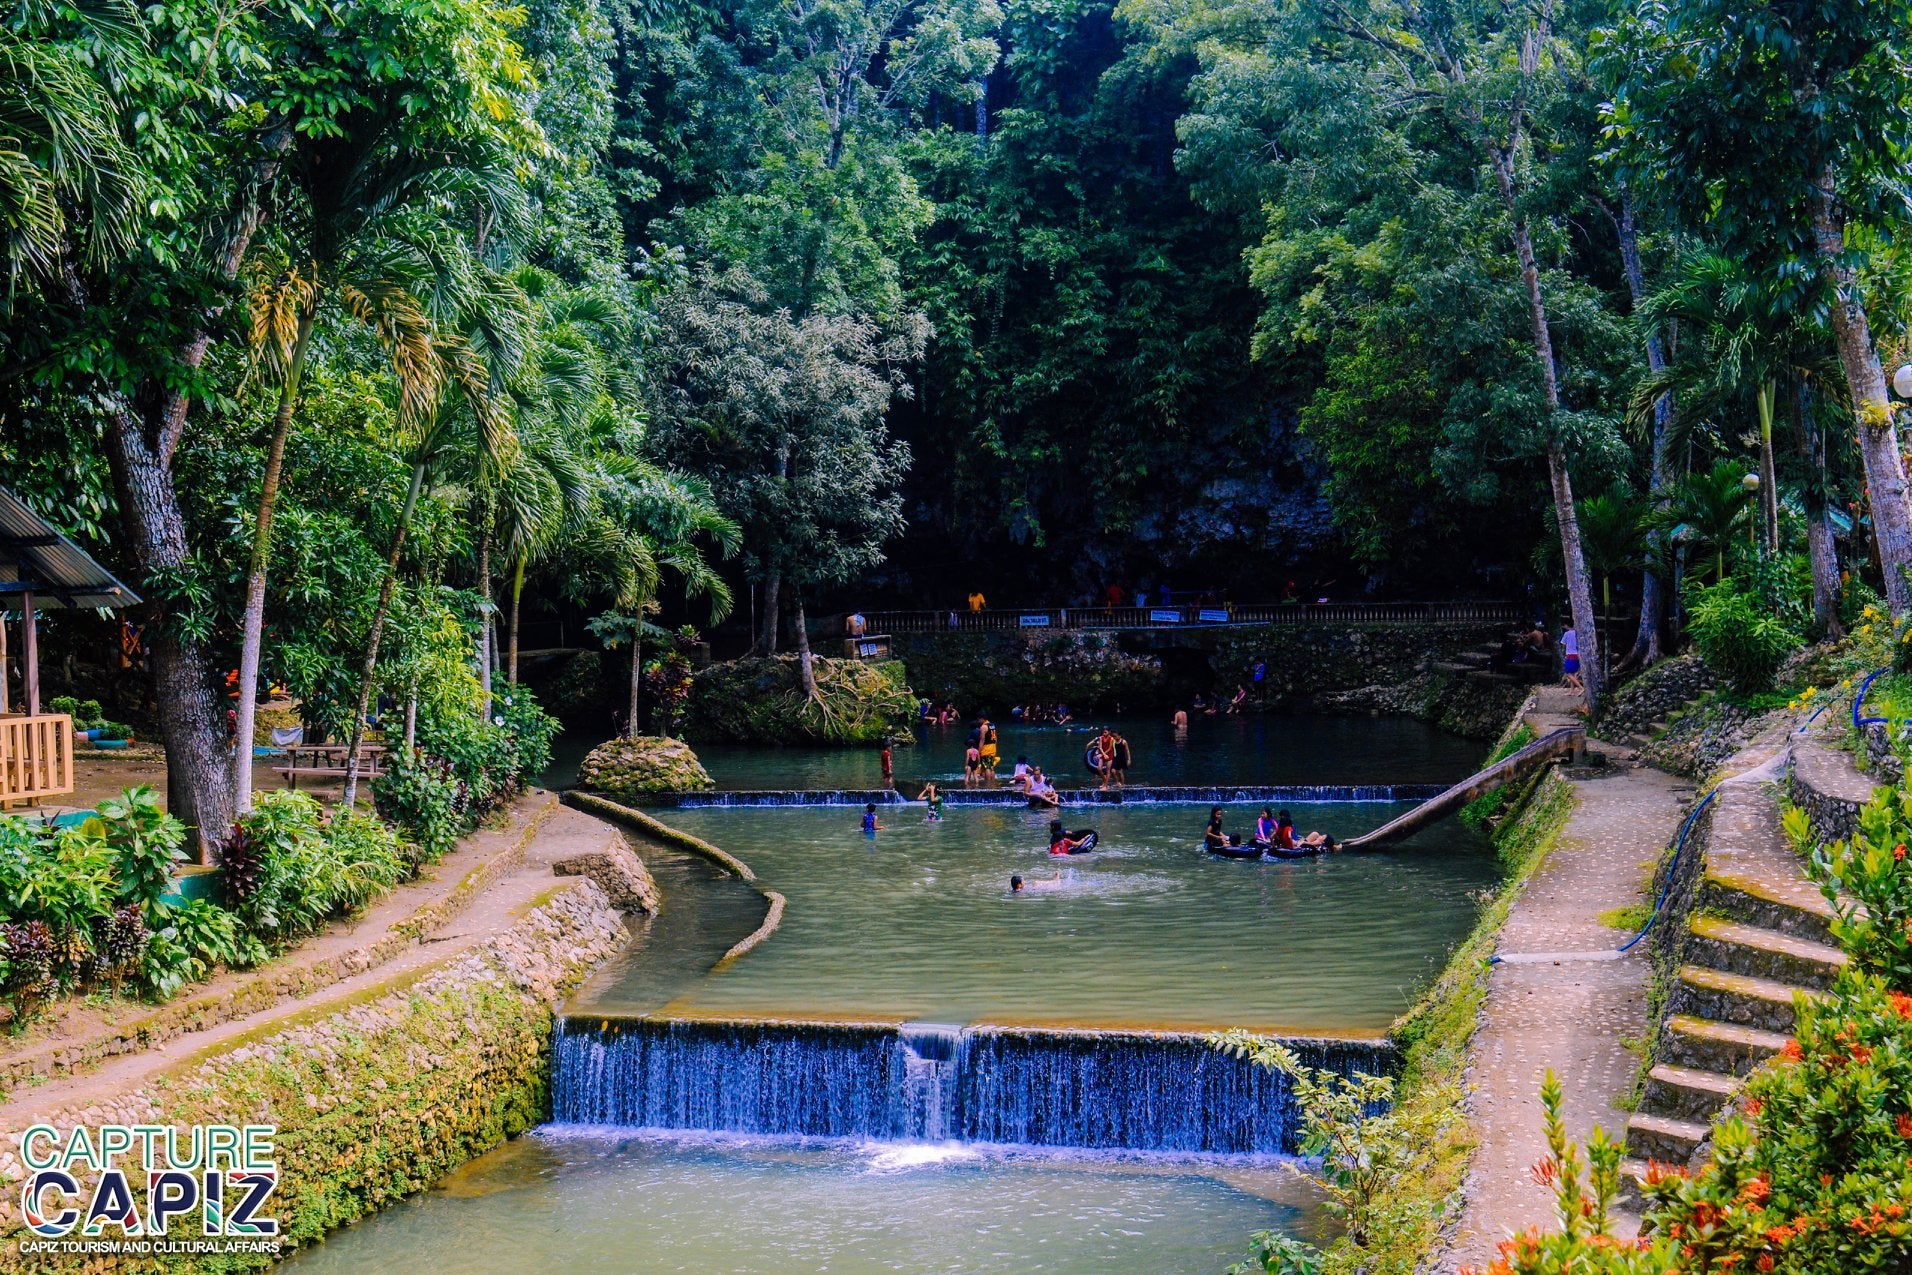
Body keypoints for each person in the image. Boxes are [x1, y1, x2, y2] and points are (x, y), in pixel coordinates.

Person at [1561, 625, 1583, 692]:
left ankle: (1581, 687)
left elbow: (1563, 644)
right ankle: (1571, 691)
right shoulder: (1578, 633)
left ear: (1567, 625)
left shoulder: (1567, 633)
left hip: (1570, 654)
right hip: (1577, 654)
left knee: (1568, 673)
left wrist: (1564, 652)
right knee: (1573, 673)